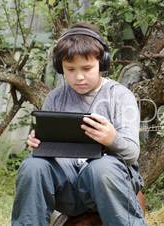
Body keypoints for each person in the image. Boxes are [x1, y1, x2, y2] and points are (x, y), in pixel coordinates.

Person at [11, 22, 146, 226]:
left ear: (103, 62)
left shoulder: (119, 96)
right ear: (60, 68)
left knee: (102, 167)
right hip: (67, 183)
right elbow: (47, 156)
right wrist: (38, 144)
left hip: (108, 179)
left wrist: (112, 139)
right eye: (70, 69)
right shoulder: (55, 98)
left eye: (87, 68)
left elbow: (131, 154)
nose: (79, 76)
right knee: (33, 165)